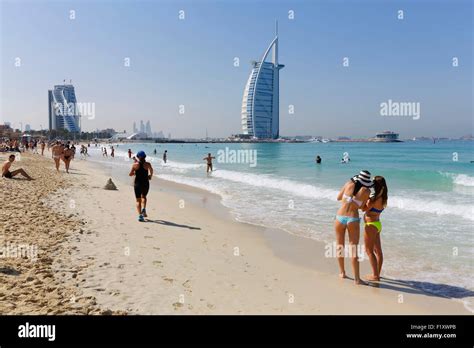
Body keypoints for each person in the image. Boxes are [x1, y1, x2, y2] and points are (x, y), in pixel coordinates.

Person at [334, 170, 372, 285]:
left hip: (339, 217)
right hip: (353, 219)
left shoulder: (348, 184)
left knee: (340, 245)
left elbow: (338, 198)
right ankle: (357, 279)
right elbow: (361, 207)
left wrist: (348, 198)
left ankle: (342, 272)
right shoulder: (366, 191)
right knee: (353, 248)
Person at [363, 176, 387, 281]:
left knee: (369, 250)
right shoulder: (384, 197)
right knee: (378, 251)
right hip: (377, 224)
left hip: (371, 225)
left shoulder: (373, 198)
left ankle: (375, 275)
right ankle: (377, 273)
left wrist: (364, 197)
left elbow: (363, 208)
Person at [129, 151, 153, 222]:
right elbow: (151, 170)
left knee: (138, 200)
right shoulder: (148, 164)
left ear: (138, 157)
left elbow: (130, 174)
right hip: (146, 183)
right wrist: (150, 176)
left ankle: (140, 216)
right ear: (145, 156)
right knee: (144, 197)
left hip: (137, 184)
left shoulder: (135, 165)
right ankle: (144, 209)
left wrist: (134, 173)